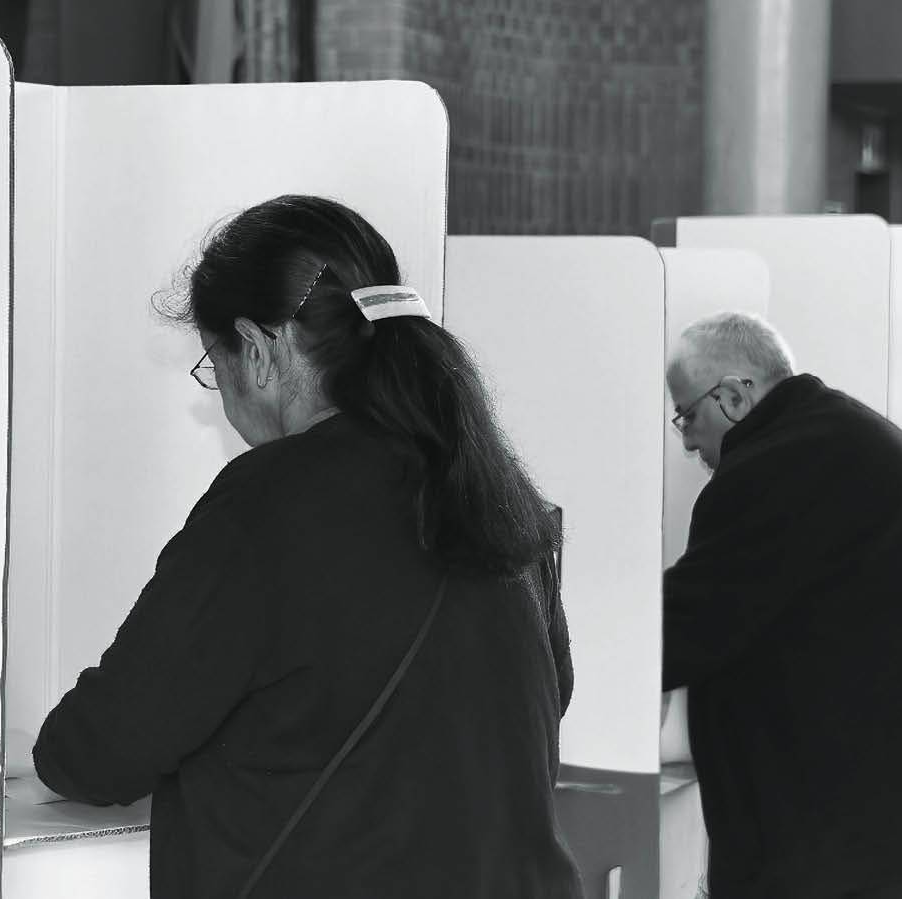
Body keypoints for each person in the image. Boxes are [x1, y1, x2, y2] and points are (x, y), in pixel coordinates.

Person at [32, 195, 583, 899]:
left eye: (215, 364)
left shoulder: (268, 501)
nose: (223, 395)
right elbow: (539, 699)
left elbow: (105, 746)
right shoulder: (491, 488)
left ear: (258, 350)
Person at [663, 311, 902, 899]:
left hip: (871, 818)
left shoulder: (770, 470)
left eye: (688, 416)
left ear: (731, 396)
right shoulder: (854, 432)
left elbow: (693, 626)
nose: (688, 442)